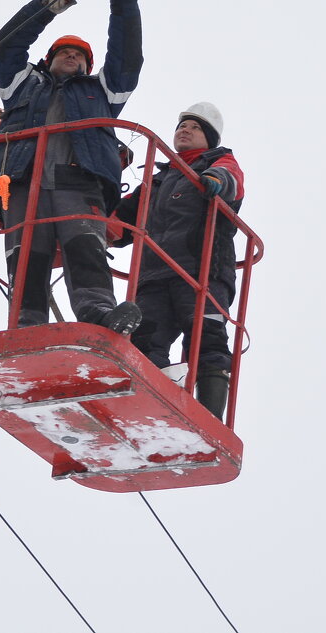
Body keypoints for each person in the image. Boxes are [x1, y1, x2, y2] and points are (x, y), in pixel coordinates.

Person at [0, 0, 143, 333]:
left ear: (88, 66)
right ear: (48, 60)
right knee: (25, 256)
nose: (73, 56)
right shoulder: (22, 84)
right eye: (65, 52)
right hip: (19, 181)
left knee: (86, 249)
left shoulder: (102, 92)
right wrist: (45, 9)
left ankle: (100, 316)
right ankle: (24, 325)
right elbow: (6, 46)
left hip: (78, 180)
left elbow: (127, 58)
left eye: (80, 55)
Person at [110, 102, 244, 419]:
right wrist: (87, 230)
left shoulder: (219, 162)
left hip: (203, 270)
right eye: (182, 125)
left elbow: (231, 179)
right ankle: (148, 407)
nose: (185, 130)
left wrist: (215, 180)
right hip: (155, 275)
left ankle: (209, 416)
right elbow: (119, 221)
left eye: (195, 127)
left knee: (206, 339)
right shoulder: (158, 181)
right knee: (144, 339)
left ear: (209, 138)